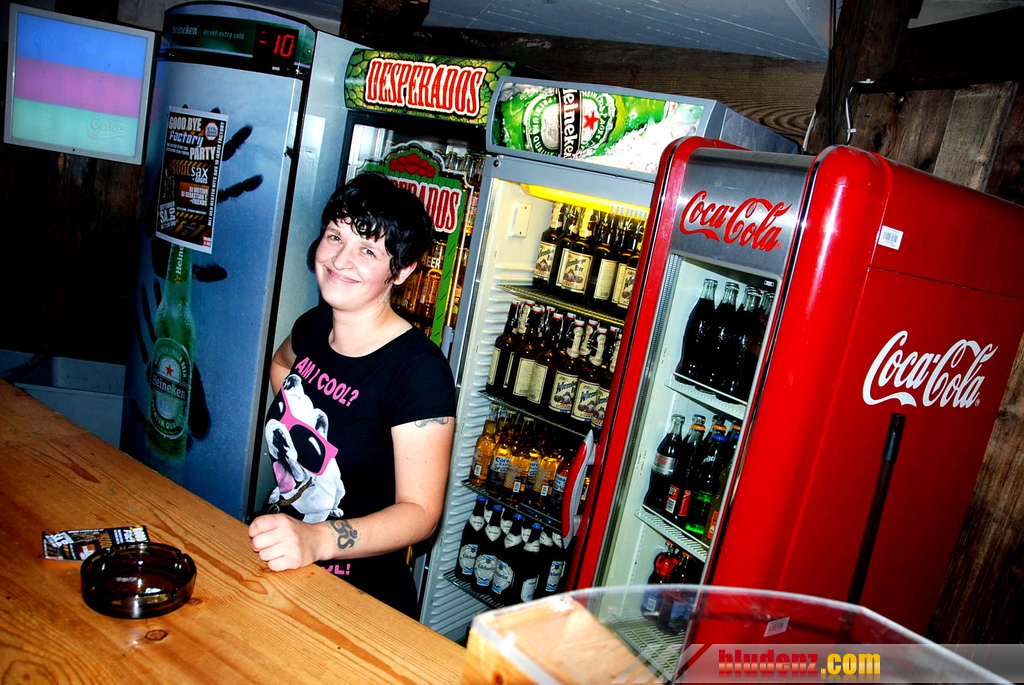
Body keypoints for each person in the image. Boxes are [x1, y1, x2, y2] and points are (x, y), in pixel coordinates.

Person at [248, 172, 456, 617]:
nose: (341, 259)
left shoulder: (418, 371)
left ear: (402, 270)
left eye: (368, 250)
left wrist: (317, 539)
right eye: (334, 237)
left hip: (358, 599)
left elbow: (421, 513)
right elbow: (281, 366)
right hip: (279, 560)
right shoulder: (313, 325)